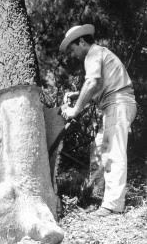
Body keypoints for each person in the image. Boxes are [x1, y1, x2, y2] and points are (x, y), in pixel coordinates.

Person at [59, 24, 137, 217]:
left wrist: (74, 110)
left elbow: (92, 83)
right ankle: (100, 196)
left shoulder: (92, 55)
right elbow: (97, 85)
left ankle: (112, 206)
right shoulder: (101, 53)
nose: (73, 53)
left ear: (82, 42)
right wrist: (79, 94)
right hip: (118, 104)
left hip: (117, 104)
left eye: (73, 48)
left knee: (113, 151)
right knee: (100, 146)